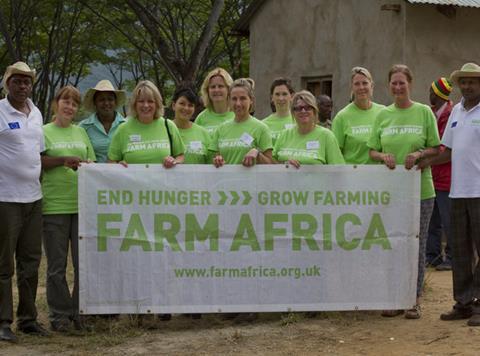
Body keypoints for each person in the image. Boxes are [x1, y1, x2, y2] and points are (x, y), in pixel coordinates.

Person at [367, 64, 440, 319]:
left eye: (402, 83)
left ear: (410, 84)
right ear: (389, 86)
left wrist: (420, 153)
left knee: (415, 246)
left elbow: (437, 148)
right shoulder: (383, 115)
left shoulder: (423, 113)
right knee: (393, 245)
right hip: (391, 192)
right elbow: (371, 150)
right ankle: (394, 297)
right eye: (394, 83)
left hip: (420, 191)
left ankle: (414, 299)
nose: (398, 87)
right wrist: (382, 155)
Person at [419, 63, 480, 326]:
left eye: (472, 82)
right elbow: (448, 151)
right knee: (461, 252)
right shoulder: (456, 111)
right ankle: (463, 303)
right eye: (463, 82)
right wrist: (423, 161)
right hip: (457, 192)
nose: (467, 86)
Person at [0, 62, 49, 342]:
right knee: (4, 264)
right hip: (5, 198)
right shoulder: (0, 111)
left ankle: (28, 318)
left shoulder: (36, 112)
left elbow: (37, 153)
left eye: (27, 81)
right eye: (17, 81)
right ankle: (3, 321)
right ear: (8, 83)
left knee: (31, 261)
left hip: (34, 196)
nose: (22, 86)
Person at [41, 86, 96, 332]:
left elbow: (93, 162)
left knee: (84, 263)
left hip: (82, 205)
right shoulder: (43, 132)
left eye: (74, 104)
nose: (69, 107)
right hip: (54, 206)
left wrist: (85, 165)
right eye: (65, 101)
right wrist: (63, 161)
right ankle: (59, 316)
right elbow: (37, 161)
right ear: (56, 103)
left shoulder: (81, 132)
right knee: (56, 266)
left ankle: (79, 312)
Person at [108, 80, 185, 167]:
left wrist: (174, 161)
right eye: (141, 101)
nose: (146, 105)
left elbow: (181, 156)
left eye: (150, 101)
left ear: (157, 104)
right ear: (134, 104)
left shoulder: (168, 126)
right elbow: (111, 161)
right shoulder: (122, 128)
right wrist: (118, 165)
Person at [210, 78, 272, 167]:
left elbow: (271, 165)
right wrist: (217, 160)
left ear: (251, 100)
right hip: (226, 180)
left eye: (243, 98)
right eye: (234, 99)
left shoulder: (261, 128)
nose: (238, 103)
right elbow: (214, 161)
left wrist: (257, 154)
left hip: (251, 181)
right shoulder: (221, 129)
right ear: (229, 101)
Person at [425, 78, 454, 271]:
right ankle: (433, 256)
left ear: (437, 94)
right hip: (432, 178)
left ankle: (452, 257)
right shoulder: (433, 114)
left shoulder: (451, 115)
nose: (429, 95)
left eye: (431, 91)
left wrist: (426, 162)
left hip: (447, 178)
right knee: (432, 220)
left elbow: (447, 151)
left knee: (448, 220)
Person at [273, 90, 344, 166]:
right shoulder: (284, 134)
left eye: (307, 107)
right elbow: (271, 164)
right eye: (299, 108)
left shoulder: (327, 136)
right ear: (293, 112)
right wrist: (284, 165)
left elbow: (338, 171)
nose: (303, 111)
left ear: (314, 111)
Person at [332, 67, 385, 164]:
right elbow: (335, 154)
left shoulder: (383, 112)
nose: (361, 87)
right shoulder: (342, 117)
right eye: (357, 84)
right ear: (351, 87)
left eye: (365, 83)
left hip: (380, 175)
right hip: (352, 175)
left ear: (371, 85)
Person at [79, 80, 126, 162]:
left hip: (122, 174)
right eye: (101, 100)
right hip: (93, 174)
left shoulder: (125, 125)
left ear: (115, 102)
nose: (106, 103)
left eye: (110, 99)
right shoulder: (84, 127)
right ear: (95, 103)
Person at [172, 86, 211, 164]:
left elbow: (211, 162)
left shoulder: (203, 133)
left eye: (190, 105)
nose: (186, 108)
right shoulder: (165, 129)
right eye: (182, 103)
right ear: (173, 105)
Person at [195, 68, 234, 135]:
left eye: (220, 86)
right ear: (207, 91)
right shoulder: (201, 119)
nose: (216, 90)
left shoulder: (237, 115)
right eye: (213, 87)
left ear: (229, 89)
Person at [262, 78, 295, 144]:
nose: (281, 98)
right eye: (277, 94)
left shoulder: (298, 121)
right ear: (272, 97)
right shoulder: (263, 124)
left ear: (292, 96)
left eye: (284, 94)